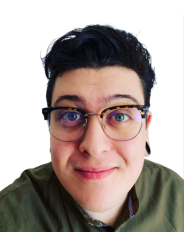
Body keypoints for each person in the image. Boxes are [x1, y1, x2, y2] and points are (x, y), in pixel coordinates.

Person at [0, 25, 183, 232]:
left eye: (120, 116)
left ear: (146, 128)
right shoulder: (7, 218)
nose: (94, 147)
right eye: (71, 115)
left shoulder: (178, 198)